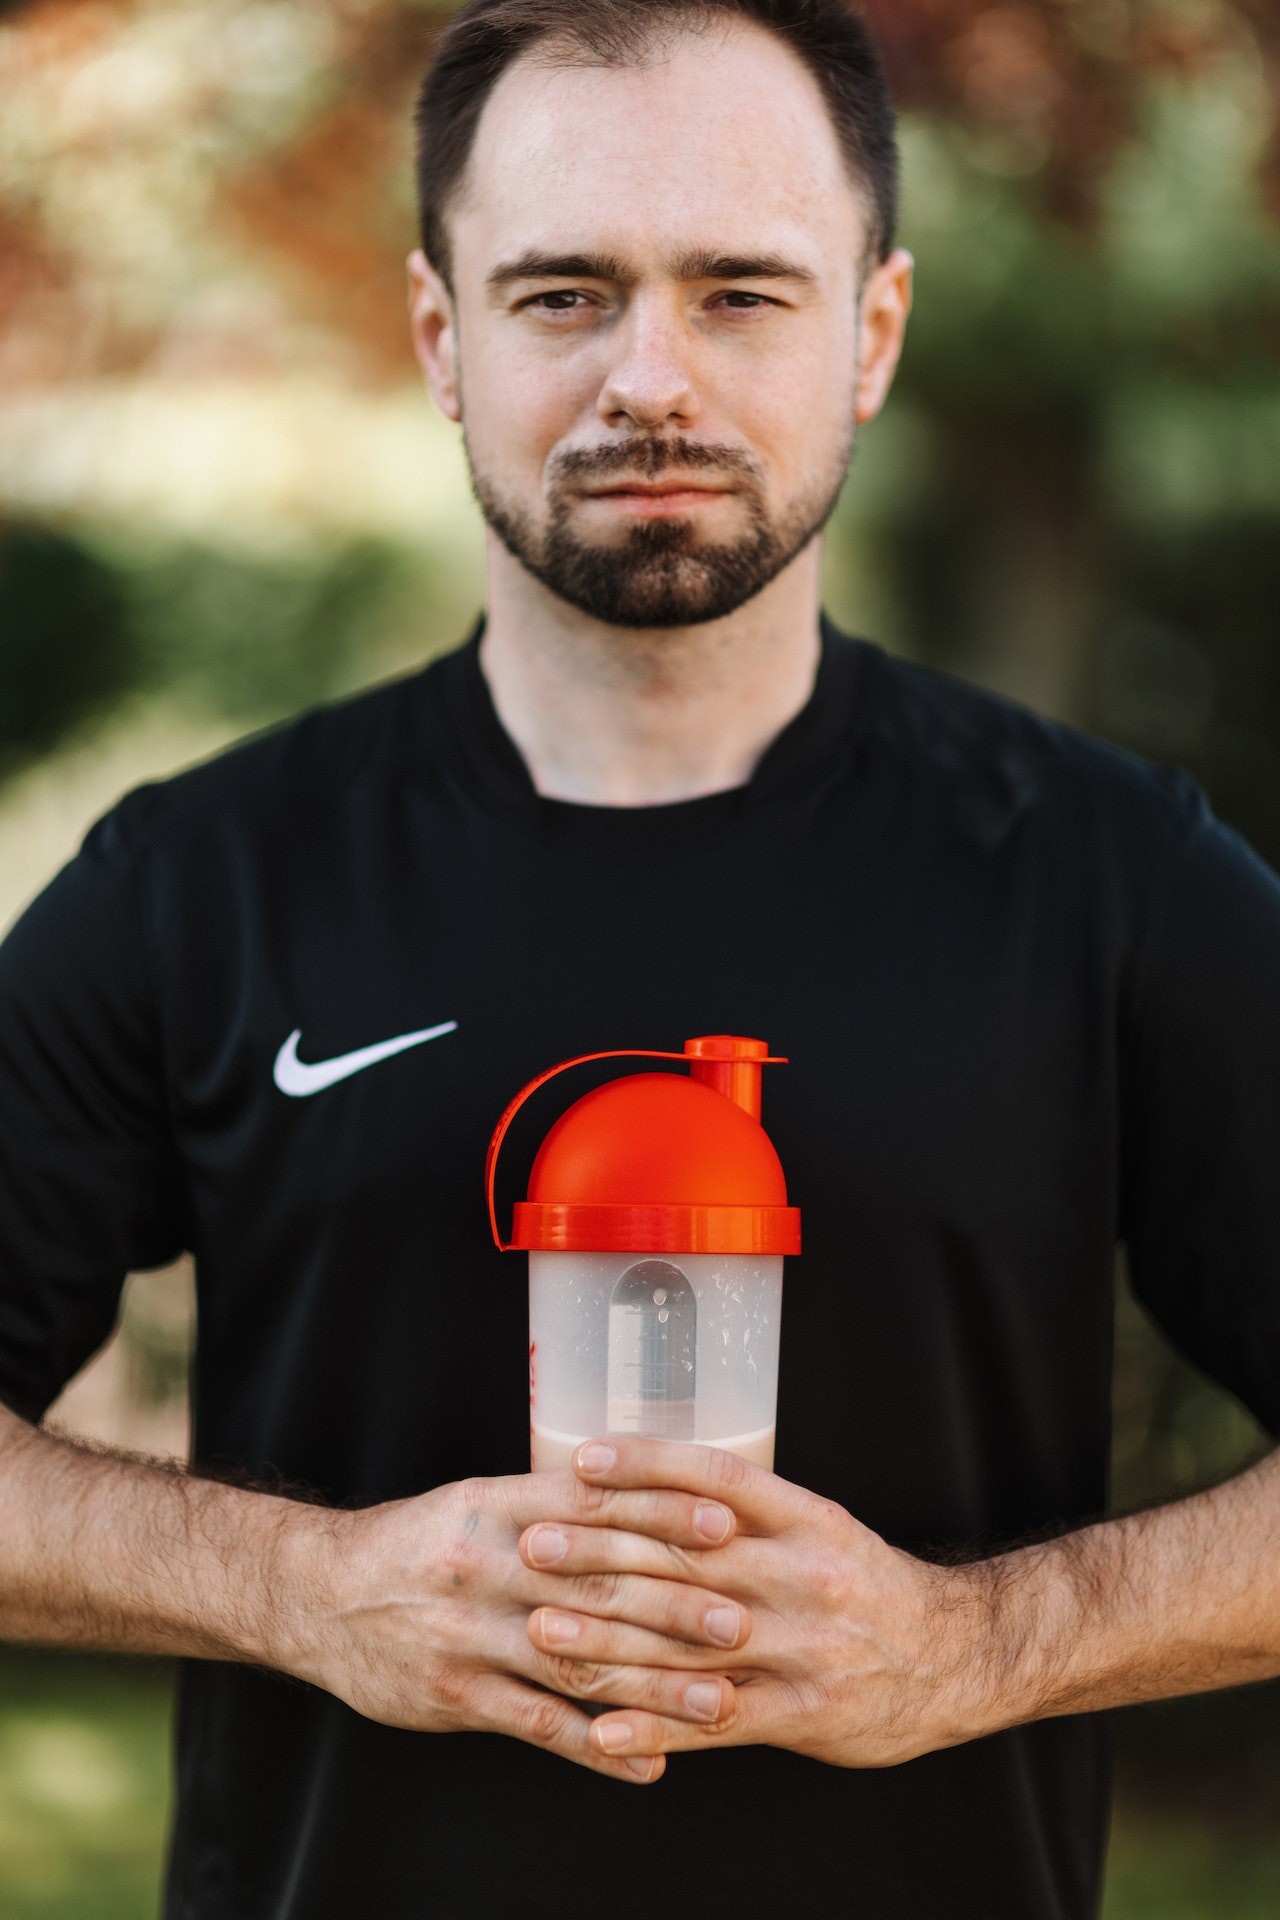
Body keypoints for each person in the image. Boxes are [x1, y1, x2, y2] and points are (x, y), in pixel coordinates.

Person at [1, 1, 1278, 1914]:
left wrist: (977, 1647)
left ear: (875, 334)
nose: (649, 378)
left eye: (743, 293)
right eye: (563, 294)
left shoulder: (1112, 881)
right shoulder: (198, 884)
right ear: (444, 337)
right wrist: (302, 1590)